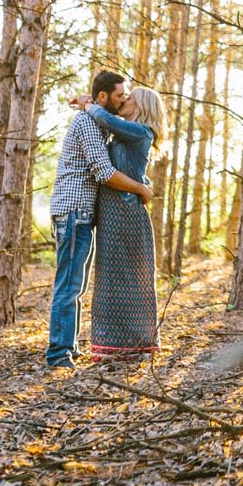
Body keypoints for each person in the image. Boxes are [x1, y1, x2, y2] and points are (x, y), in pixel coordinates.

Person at [46, 71, 151, 368]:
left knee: (75, 286)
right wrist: (142, 189)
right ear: (103, 97)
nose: (124, 100)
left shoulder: (98, 120)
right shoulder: (88, 122)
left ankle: (68, 347)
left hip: (83, 214)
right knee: (69, 285)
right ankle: (58, 354)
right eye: (119, 95)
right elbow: (104, 173)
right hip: (73, 212)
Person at [83, 86, 167, 360]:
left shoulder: (141, 131)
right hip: (111, 214)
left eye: (129, 97)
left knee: (132, 281)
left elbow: (107, 120)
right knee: (109, 279)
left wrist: (88, 105)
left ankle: (138, 345)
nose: (124, 99)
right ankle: (111, 346)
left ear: (141, 105)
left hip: (127, 215)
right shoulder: (127, 132)